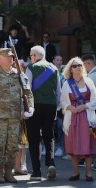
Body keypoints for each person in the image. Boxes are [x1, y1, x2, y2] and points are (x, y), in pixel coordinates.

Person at [0, 48, 34, 183]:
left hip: (15, 116)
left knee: (12, 146)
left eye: (12, 56)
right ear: (0, 57)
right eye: (8, 56)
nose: (11, 58)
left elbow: (27, 92)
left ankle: (8, 172)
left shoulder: (18, 74)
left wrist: (30, 107)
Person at [25, 45, 61, 181]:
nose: (30, 58)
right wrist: (56, 107)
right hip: (50, 105)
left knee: (34, 139)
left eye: (31, 55)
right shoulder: (54, 68)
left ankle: (36, 171)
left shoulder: (31, 68)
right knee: (49, 135)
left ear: (34, 56)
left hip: (34, 106)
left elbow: (26, 89)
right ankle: (51, 163)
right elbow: (58, 90)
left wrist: (25, 108)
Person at [61, 57, 96, 182]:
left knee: (89, 146)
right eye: (75, 65)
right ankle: (75, 172)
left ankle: (88, 173)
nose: (78, 67)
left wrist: (84, 105)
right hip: (72, 119)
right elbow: (62, 101)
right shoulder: (67, 83)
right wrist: (69, 106)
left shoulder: (89, 82)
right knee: (72, 146)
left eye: (80, 65)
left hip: (87, 117)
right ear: (70, 69)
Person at [81, 54, 96, 170]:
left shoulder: (92, 77)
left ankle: (90, 158)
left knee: (93, 134)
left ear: (88, 64)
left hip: (93, 110)